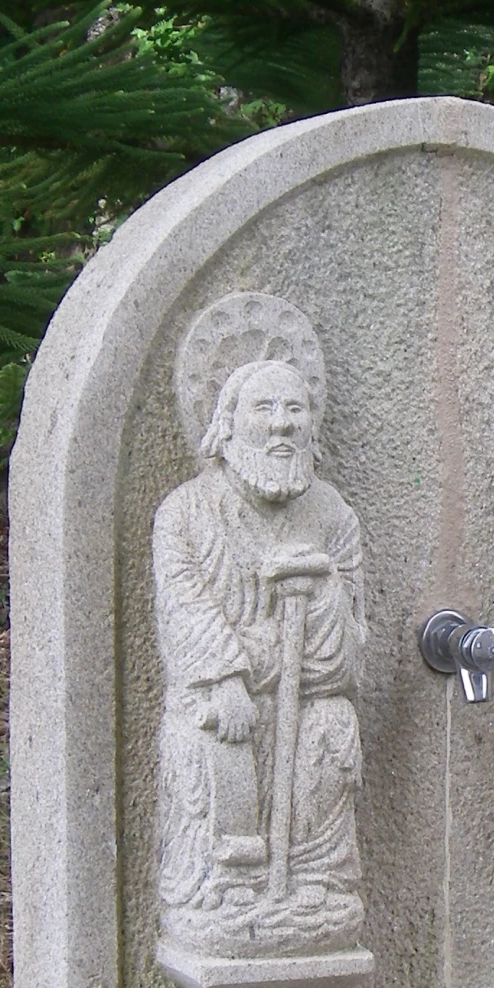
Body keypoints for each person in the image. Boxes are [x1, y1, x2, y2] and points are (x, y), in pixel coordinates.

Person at [152, 356, 366, 954]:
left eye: (295, 409)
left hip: (307, 697)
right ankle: (220, 891)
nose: (282, 425)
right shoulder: (186, 514)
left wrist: (320, 591)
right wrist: (228, 676)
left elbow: (344, 658)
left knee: (332, 724)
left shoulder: (334, 517)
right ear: (227, 422)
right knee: (213, 735)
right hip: (223, 703)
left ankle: (316, 882)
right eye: (264, 409)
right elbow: (186, 613)